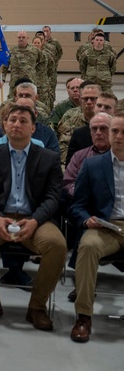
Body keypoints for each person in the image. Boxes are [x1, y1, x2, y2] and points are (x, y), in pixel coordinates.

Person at [0, 105, 66, 330]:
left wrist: (36, 220)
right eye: (12, 120)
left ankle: (37, 307)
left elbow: (52, 197)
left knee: (57, 245)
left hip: (34, 219)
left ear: (33, 128)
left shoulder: (49, 158)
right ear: (4, 125)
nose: (16, 124)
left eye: (22, 121)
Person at [67, 113, 124, 342]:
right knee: (87, 245)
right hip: (105, 227)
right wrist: (86, 219)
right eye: (115, 131)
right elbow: (76, 206)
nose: (118, 136)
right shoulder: (92, 165)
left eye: (123, 132)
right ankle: (83, 316)